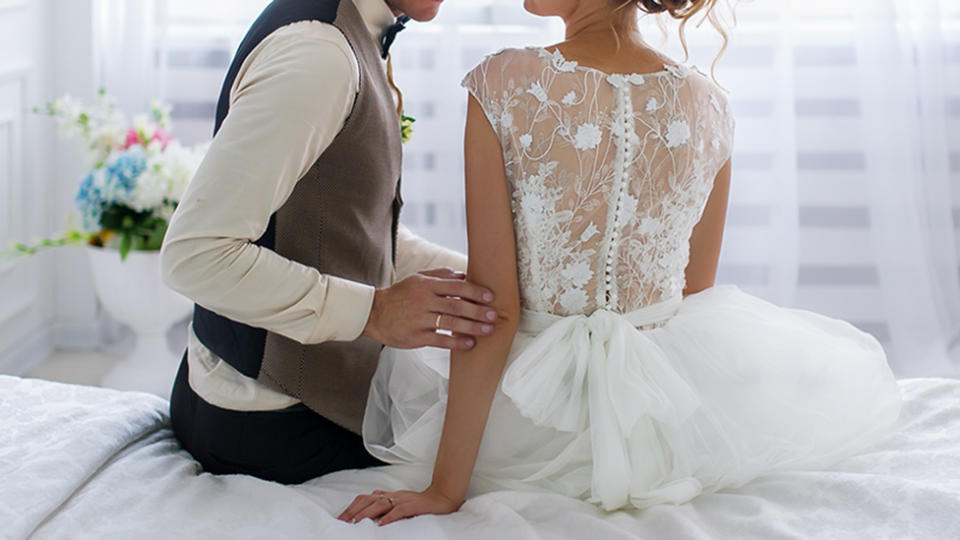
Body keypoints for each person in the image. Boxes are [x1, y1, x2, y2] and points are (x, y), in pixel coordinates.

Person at [338, 0, 903, 525]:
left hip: (531, 423)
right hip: (664, 427)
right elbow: (694, 301)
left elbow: (494, 311)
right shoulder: (710, 105)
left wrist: (445, 489)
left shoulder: (503, 83)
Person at [160, 0, 499, 485]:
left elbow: (346, 227)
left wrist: (483, 280)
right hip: (269, 426)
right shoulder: (318, 54)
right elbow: (195, 256)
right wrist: (376, 312)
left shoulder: (355, 29)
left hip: (243, 399)